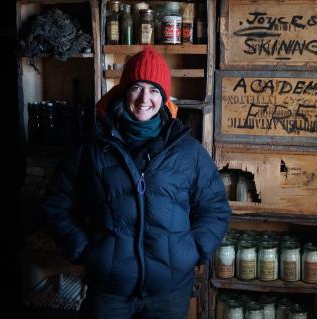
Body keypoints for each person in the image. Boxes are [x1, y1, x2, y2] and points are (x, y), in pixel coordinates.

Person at [42, 46, 231, 319]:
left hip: (169, 292)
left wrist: (192, 252)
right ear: (123, 91)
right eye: (137, 88)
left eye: (154, 90)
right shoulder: (91, 148)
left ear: (164, 97)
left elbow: (215, 208)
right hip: (109, 290)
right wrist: (85, 251)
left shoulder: (187, 150)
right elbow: (56, 205)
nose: (145, 99)